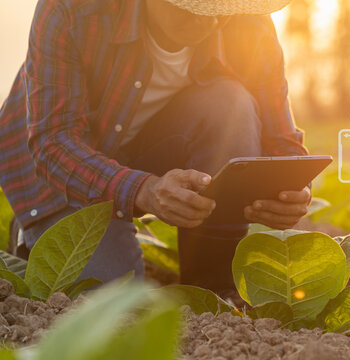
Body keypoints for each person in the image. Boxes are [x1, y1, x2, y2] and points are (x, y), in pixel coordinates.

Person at [0, 0, 310, 294]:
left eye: (219, 7)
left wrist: (291, 189)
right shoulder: (75, 9)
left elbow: (281, 138)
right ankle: (34, 236)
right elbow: (53, 141)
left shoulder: (248, 23)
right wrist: (144, 190)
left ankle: (212, 286)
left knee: (231, 104)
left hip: (148, 145)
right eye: (190, 6)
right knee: (113, 301)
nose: (209, 19)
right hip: (64, 170)